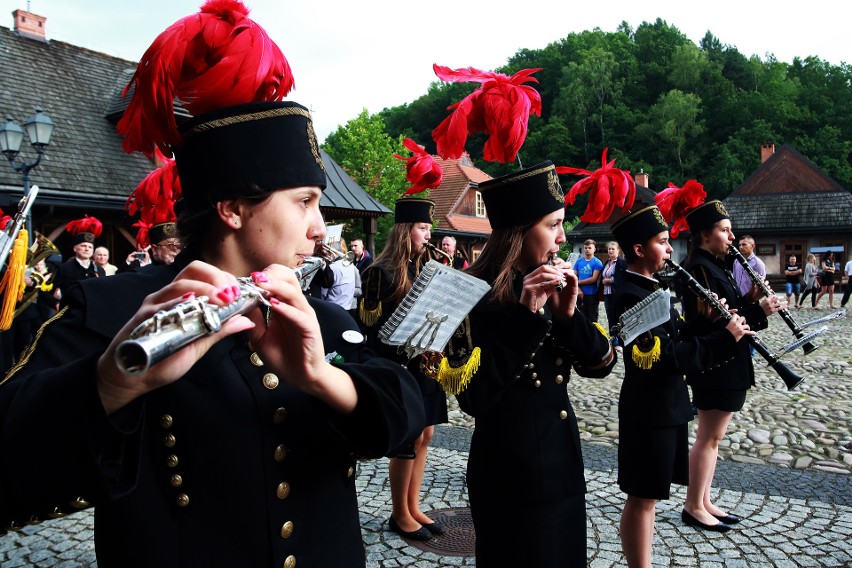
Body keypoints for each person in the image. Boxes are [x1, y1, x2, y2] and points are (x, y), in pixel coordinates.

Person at [0, 3, 424, 567]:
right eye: (304, 202)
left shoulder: (318, 316)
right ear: (230, 208)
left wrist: (322, 376)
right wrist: (111, 382)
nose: (319, 228)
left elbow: (406, 413)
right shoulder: (114, 309)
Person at [442, 162, 617, 566]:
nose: (562, 237)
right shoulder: (473, 294)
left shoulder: (550, 284)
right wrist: (524, 317)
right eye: (552, 225)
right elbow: (474, 399)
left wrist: (571, 318)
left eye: (561, 224)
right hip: (509, 472)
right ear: (519, 232)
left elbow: (601, 364)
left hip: (561, 466)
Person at [610, 205, 751, 568]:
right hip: (649, 409)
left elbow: (673, 337)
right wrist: (725, 339)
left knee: (651, 497)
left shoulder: (650, 286)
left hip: (667, 404)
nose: (670, 249)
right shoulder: (630, 294)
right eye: (661, 242)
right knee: (642, 498)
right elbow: (667, 357)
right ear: (639, 249)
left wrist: (706, 318)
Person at [674, 199, 784, 532]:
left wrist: (750, 301)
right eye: (724, 230)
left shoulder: (717, 265)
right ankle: (694, 505)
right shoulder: (699, 270)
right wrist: (758, 311)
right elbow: (713, 326)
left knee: (714, 437)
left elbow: (731, 312)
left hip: (729, 360)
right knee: (708, 436)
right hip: (716, 362)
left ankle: (703, 500)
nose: (731, 237)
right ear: (705, 235)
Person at [359, 197, 449, 541]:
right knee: (408, 440)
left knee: (426, 435)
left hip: (424, 363)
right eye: (422, 228)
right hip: (399, 366)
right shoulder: (380, 272)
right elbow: (371, 330)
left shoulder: (424, 270)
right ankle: (399, 513)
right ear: (404, 231)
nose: (428, 235)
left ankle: (413, 505)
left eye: (428, 228)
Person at [52, 215, 107, 301]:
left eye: (90, 247)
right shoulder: (64, 268)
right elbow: (47, 291)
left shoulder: (99, 270)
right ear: (75, 249)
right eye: (83, 246)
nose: (86, 249)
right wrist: (56, 304)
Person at [322, 238, 361, 320]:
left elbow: (323, 294)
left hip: (332, 310)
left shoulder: (332, 268)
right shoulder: (351, 266)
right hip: (347, 309)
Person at [573, 239, 603, 322]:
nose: (587, 250)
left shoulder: (597, 263)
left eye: (589, 248)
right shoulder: (579, 261)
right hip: (579, 293)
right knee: (580, 317)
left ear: (594, 249)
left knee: (591, 318)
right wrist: (578, 288)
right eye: (585, 248)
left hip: (591, 294)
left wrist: (577, 282)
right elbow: (574, 276)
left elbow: (593, 279)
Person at [600, 240, 626, 335]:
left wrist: (610, 280)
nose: (610, 251)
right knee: (610, 317)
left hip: (617, 294)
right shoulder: (607, 263)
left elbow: (624, 277)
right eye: (609, 249)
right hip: (607, 293)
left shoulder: (622, 263)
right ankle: (613, 337)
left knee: (618, 316)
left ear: (618, 251)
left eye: (613, 249)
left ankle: (621, 337)